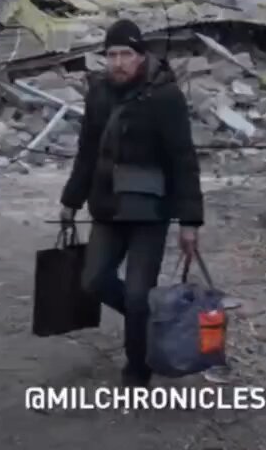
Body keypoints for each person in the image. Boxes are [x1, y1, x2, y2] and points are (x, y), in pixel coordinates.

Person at [59, 19, 204, 387]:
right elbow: (87, 152)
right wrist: (70, 200)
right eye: (111, 54)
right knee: (92, 281)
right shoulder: (99, 93)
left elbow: (183, 160)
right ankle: (147, 320)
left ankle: (137, 369)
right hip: (107, 206)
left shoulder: (165, 97)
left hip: (149, 212)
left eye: (126, 54)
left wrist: (190, 221)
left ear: (141, 56)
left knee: (139, 292)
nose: (118, 62)